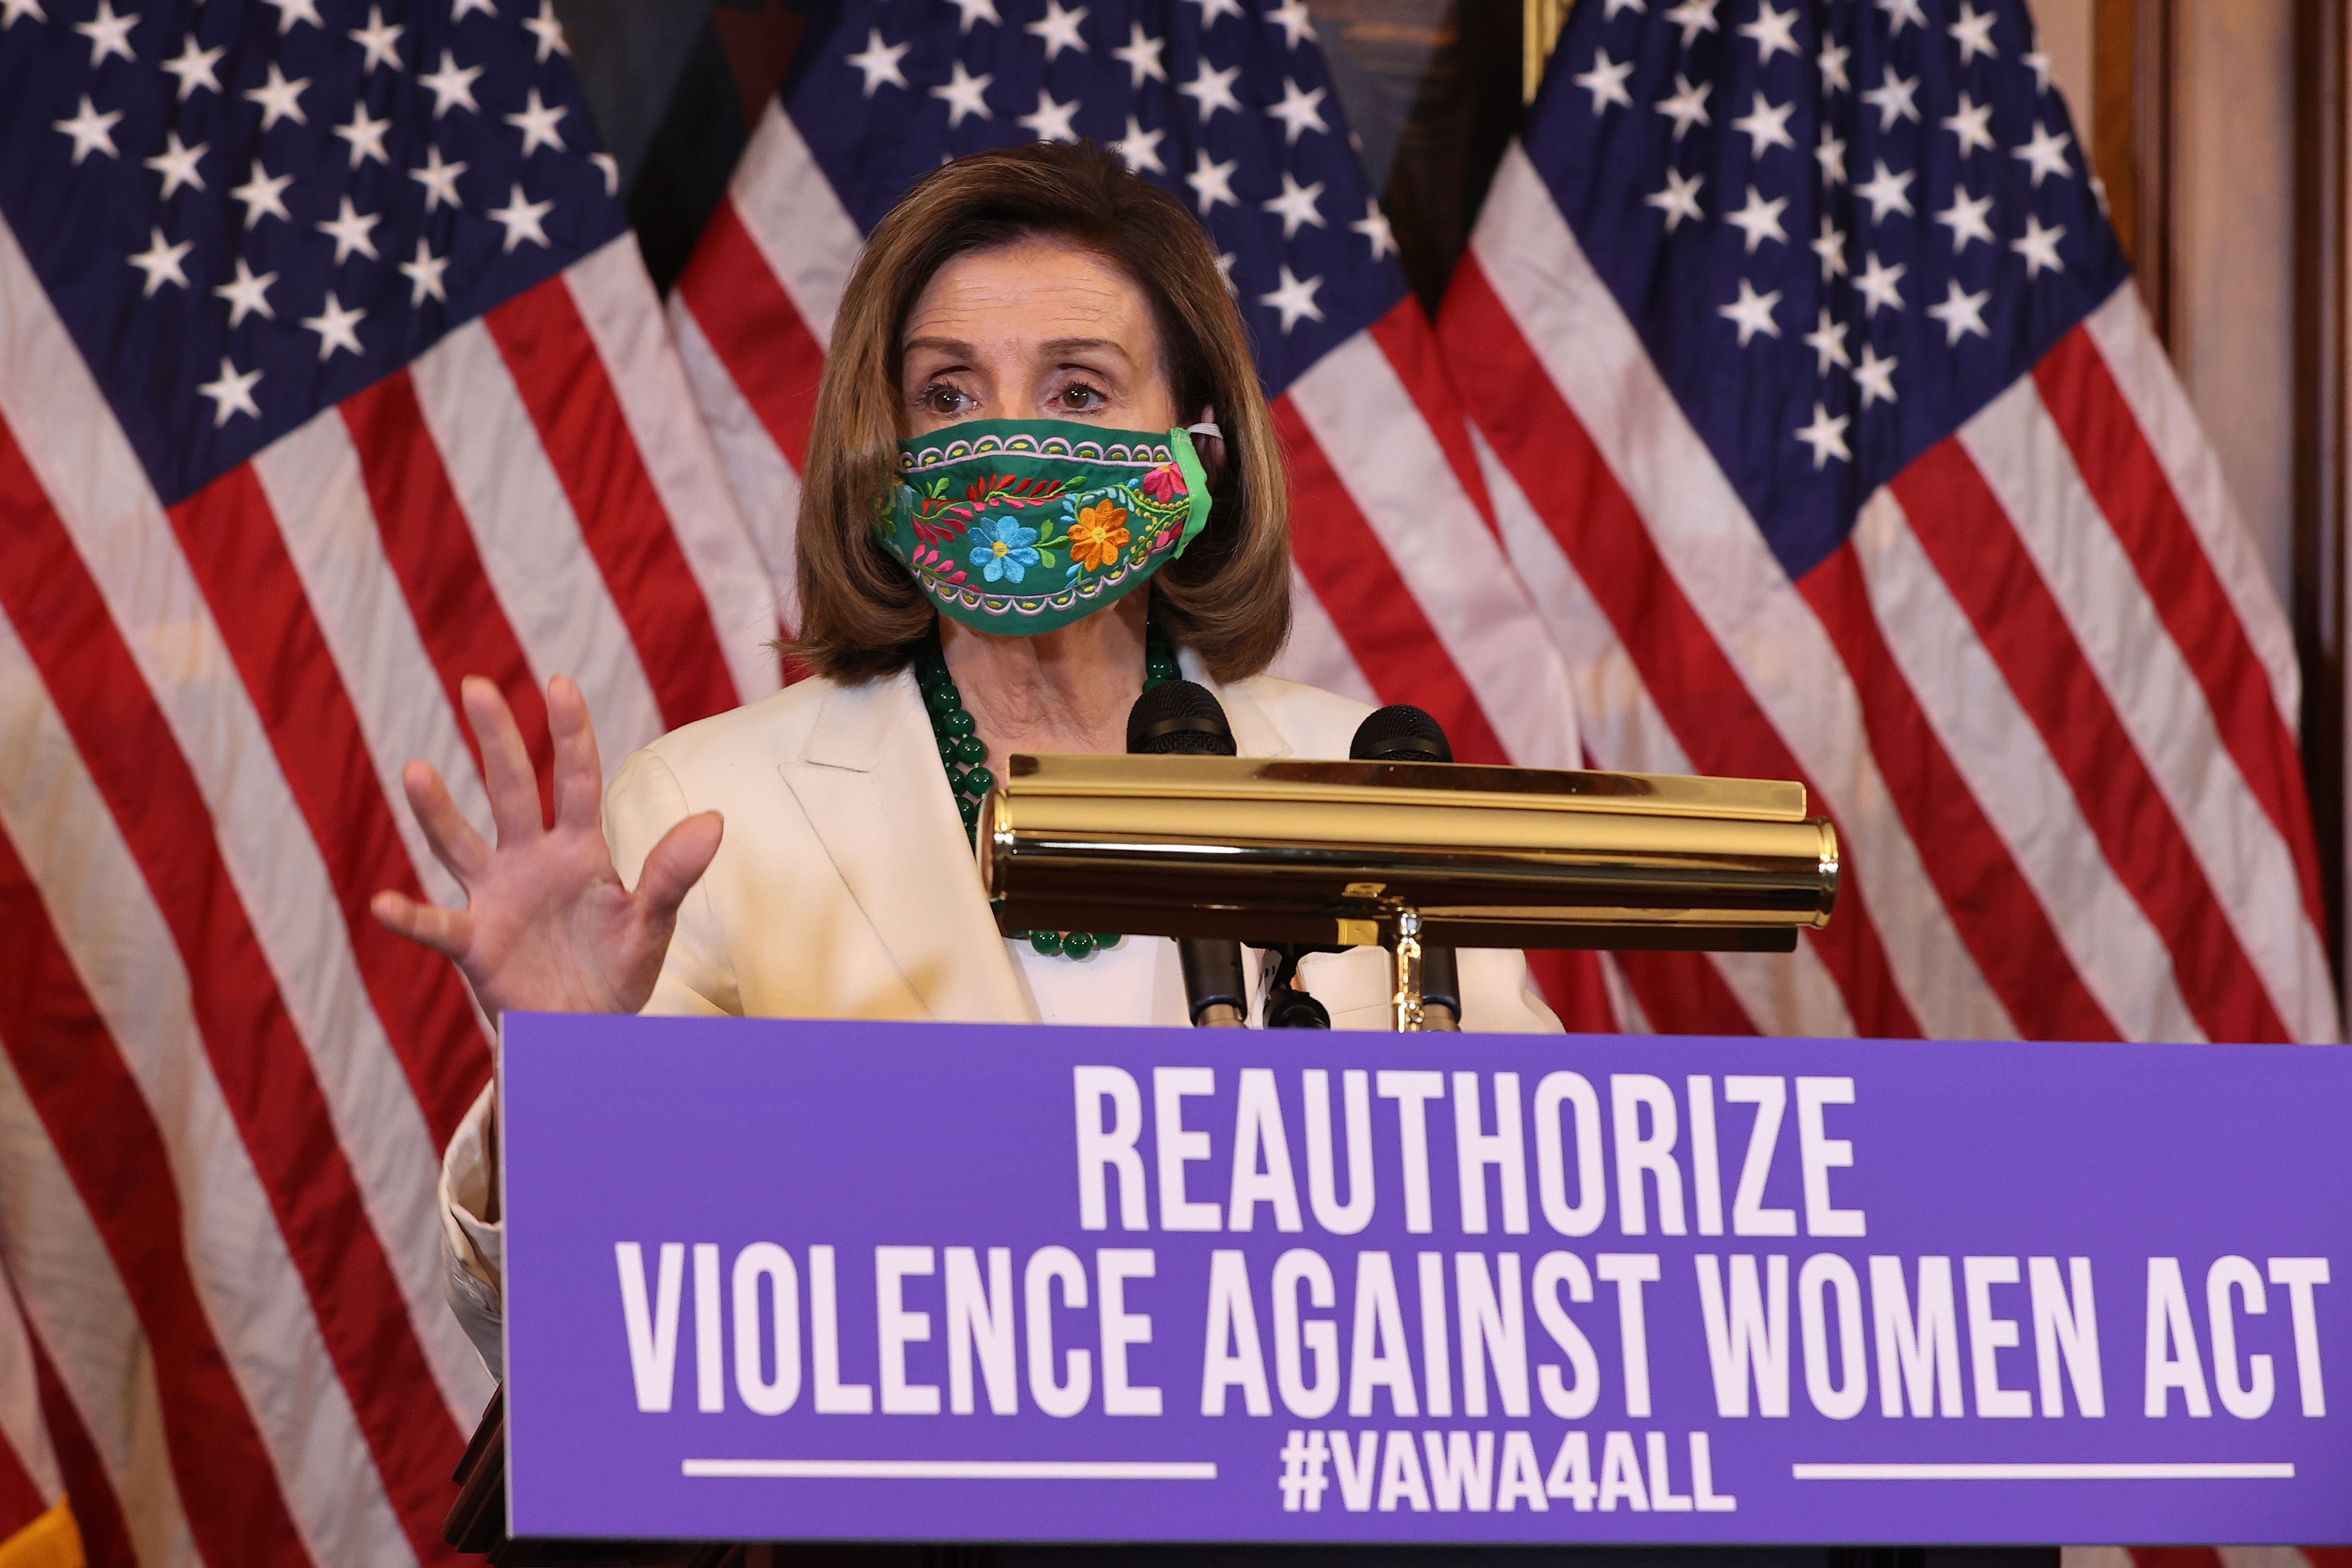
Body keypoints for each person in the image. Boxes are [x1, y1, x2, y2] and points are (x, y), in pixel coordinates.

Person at [374, 142, 1562, 1372]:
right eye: (947, 394)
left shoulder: (1365, 780)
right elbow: (574, 1348)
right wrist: (563, 1098)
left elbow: (1546, 1261)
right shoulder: (713, 813)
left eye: (1078, 392)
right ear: (880, 448)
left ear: (1197, 448)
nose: (1005, 445)